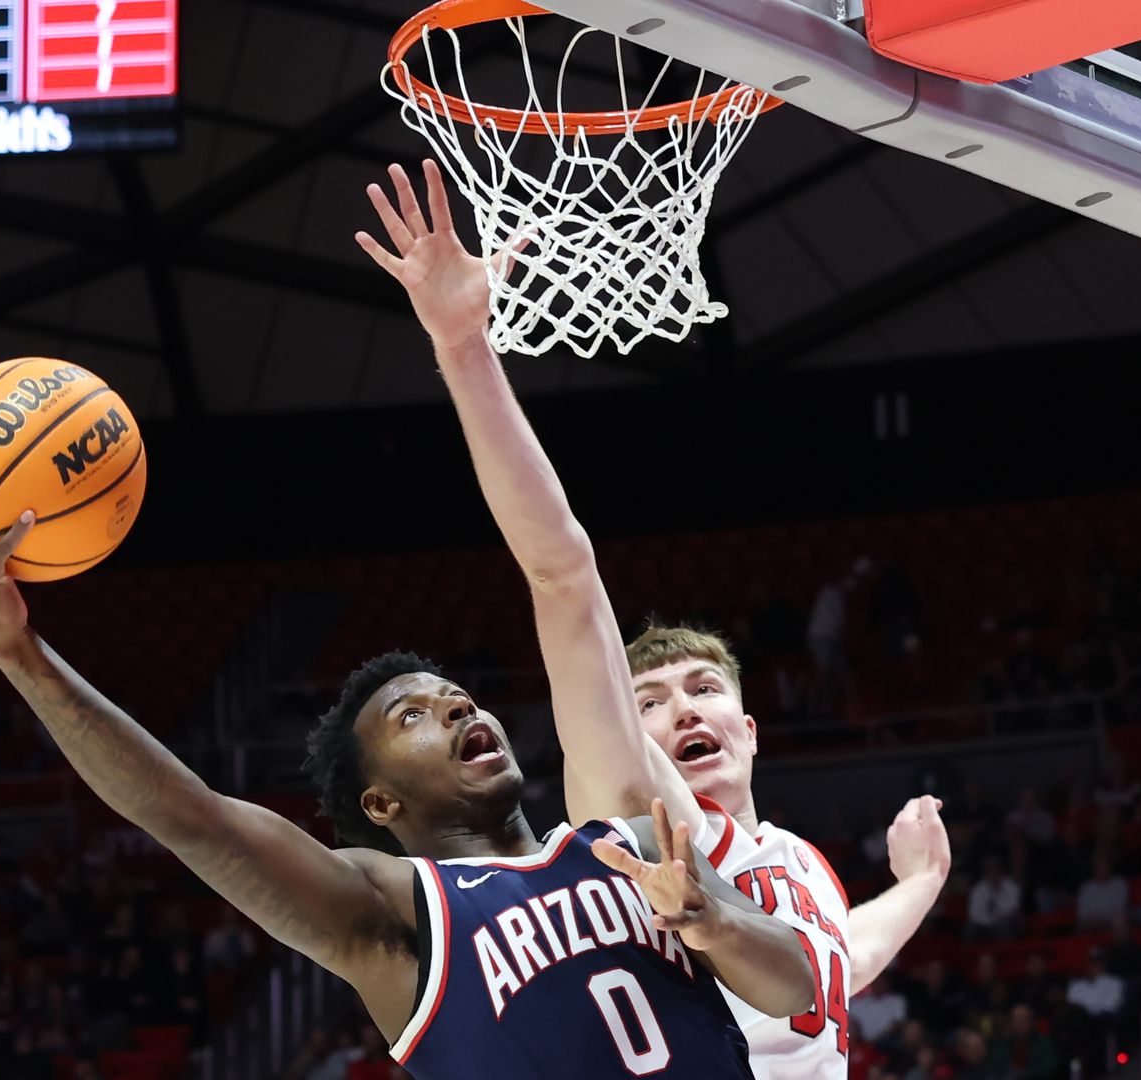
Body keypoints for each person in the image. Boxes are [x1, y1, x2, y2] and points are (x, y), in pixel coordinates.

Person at [0, 179, 816, 1080]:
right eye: (413, 716)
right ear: (381, 805)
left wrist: (708, 914)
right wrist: (18, 653)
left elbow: (791, 986)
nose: (459, 706)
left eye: (452, 696)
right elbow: (189, 818)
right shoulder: (392, 915)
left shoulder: (624, 835)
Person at [354, 159, 952, 1080]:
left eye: (704, 690)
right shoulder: (638, 812)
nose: (683, 712)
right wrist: (465, 348)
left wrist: (918, 884)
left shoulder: (788, 857)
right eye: (652, 701)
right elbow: (562, 573)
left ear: (747, 729)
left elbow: (842, 966)